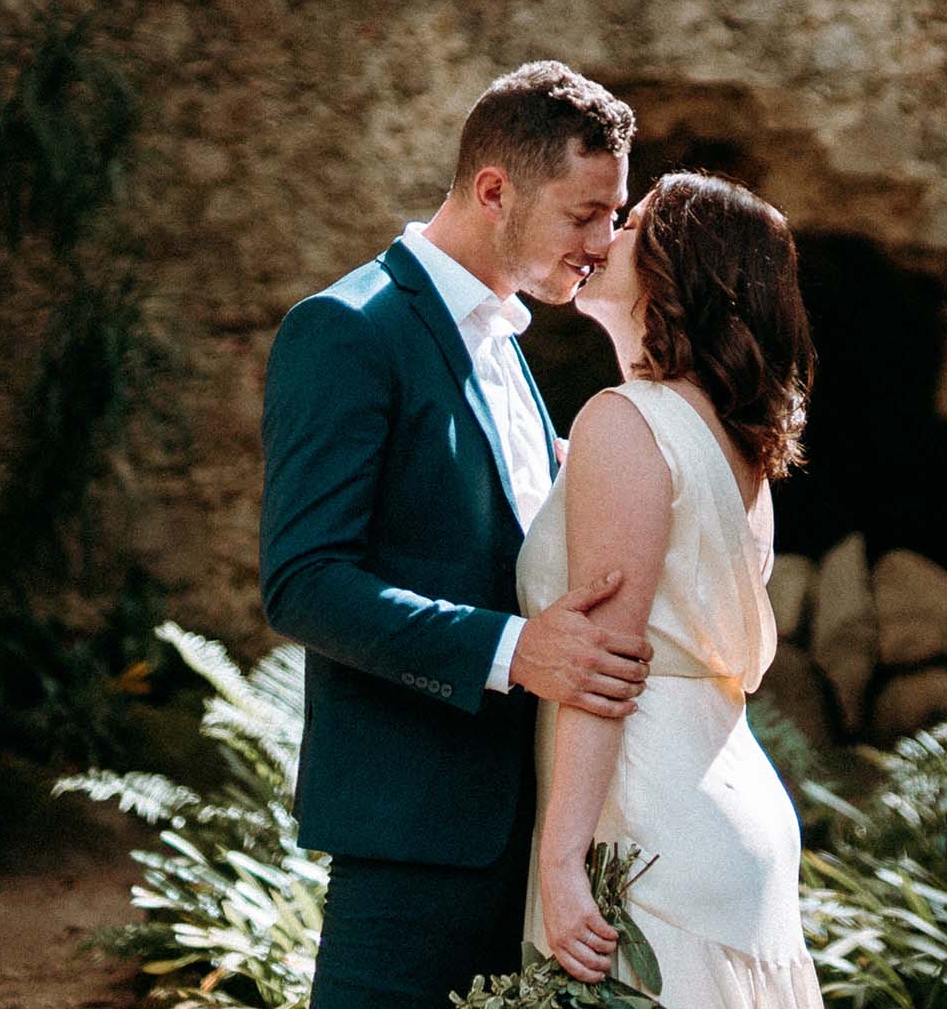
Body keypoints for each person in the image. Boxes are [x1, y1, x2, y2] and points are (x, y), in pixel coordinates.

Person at [259, 61, 655, 1009]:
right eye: (583, 215)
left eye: (615, 215)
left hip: (524, 834)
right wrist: (516, 651)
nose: (604, 243)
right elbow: (305, 580)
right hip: (413, 835)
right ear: (493, 190)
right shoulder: (345, 330)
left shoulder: (508, 343)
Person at [520, 171, 824, 1007]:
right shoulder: (730, 440)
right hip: (729, 811)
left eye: (634, 224)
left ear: (675, 270)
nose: (605, 236)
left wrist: (560, 857)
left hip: (643, 832)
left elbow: (605, 662)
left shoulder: (626, 421)